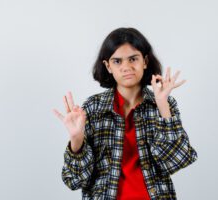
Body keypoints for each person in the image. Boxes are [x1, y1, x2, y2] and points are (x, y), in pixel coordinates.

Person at [53, 27, 198, 200]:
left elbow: (174, 162)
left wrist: (162, 105)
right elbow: (75, 181)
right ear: (107, 66)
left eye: (133, 59)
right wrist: (76, 141)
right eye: (117, 61)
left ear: (144, 61)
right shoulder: (93, 108)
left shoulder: (164, 104)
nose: (126, 67)